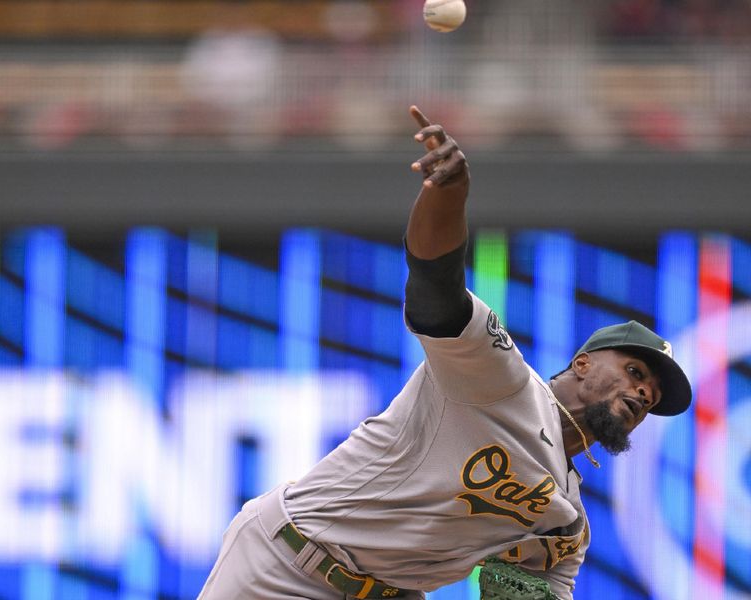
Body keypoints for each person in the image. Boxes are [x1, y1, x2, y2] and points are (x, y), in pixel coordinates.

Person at [197, 106, 692, 600]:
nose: (644, 391)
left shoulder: (565, 523)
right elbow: (436, 287)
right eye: (634, 370)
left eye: (652, 393)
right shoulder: (500, 379)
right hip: (287, 565)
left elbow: (530, 590)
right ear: (583, 363)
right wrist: (448, 197)